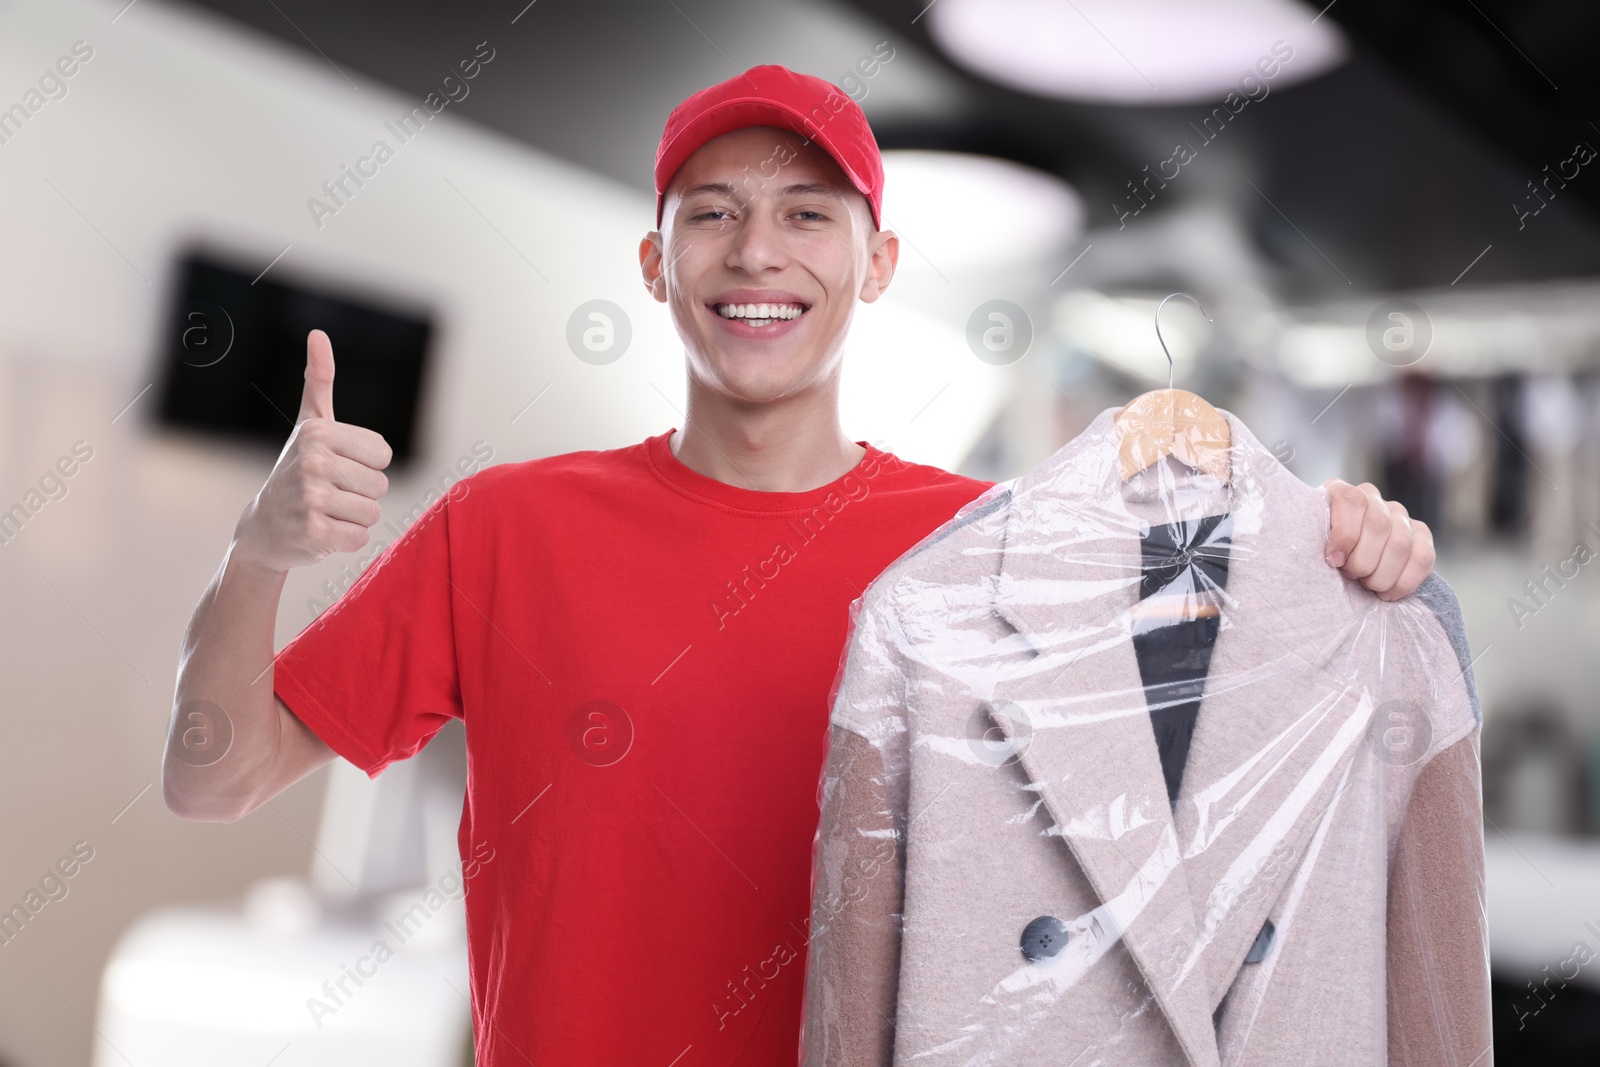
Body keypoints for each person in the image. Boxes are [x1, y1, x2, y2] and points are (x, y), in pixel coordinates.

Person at [163, 64, 1436, 1066]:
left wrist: (1340, 559)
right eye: (710, 214)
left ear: (874, 265)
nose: (756, 253)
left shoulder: (1002, 548)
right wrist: (257, 552)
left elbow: (1212, 753)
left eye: (805, 215)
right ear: (656, 263)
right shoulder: (502, 528)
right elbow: (210, 778)